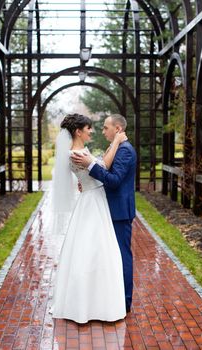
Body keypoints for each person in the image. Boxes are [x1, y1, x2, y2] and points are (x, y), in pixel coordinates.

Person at [50, 113, 128, 323]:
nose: (91, 131)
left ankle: (95, 301)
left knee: (96, 250)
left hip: (92, 197)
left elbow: (95, 169)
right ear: (78, 131)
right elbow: (102, 167)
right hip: (92, 201)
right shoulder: (76, 154)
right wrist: (117, 142)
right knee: (94, 250)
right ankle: (87, 305)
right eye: (88, 129)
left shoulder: (79, 152)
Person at [71, 114, 137, 313]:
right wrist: (90, 182)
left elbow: (115, 180)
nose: (102, 131)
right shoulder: (115, 147)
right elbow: (106, 172)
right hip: (108, 208)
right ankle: (110, 298)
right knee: (110, 255)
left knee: (122, 255)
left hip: (119, 212)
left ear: (117, 129)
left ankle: (125, 301)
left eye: (106, 127)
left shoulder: (125, 150)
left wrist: (90, 167)